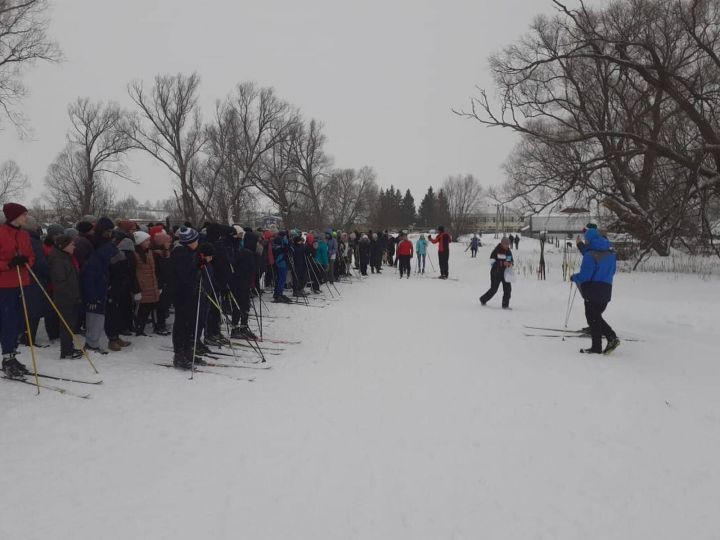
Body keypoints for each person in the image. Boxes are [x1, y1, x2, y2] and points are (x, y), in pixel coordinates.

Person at [571, 227, 620, 354]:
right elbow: (612, 271)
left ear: (588, 240)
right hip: (606, 289)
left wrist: (574, 277)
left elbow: (585, 276)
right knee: (595, 317)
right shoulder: (611, 253)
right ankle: (600, 345)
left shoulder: (590, 255)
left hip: (593, 289)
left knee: (592, 317)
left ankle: (610, 338)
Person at [0, 203, 35, 377]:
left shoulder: (24, 234)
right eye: (23, 214)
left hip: (23, 282)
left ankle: (13, 355)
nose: (26, 217)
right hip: (5, 285)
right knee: (8, 322)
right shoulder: (1, 233)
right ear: (13, 216)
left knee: (21, 322)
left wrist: (25, 261)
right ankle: (7, 357)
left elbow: (31, 256)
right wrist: (8, 264)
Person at [80, 217, 118, 354]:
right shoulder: (99, 248)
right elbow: (91, 271)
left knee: (98, 315)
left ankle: (93, 342)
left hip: (101, 282)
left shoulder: (103, 245)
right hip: (95, 283)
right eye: (107, 231)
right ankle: (92, 343)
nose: (109, 234)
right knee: (94, 316)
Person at [168, 227, 200, 369]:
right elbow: (184, 275)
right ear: (189, 241)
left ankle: (187, 350)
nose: (197, 242)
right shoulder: (180, 252)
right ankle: (179, 354)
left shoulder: (190, 251)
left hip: (189, 292)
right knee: (182, 323)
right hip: (181, 293)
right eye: (195, 240)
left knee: (190, 323)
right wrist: (197, 272)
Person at [48, 235, 83, 359]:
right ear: (63, 246)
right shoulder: (58, 259)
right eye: (71, 244)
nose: (74, 246)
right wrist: (71, 295)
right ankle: (66, 351)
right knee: (66, 324)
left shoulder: (66, 257)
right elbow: (60, 282)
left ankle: (69, 347)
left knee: (70, 324)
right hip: (65, 298)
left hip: (71, 296)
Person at [133, 231, 160, 336]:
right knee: (142, 309)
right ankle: (139, 328)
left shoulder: (150, 252)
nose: (149, 242)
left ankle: (143, 327)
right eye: (147, 240)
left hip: (151, 284)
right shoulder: (135, 254)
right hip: (142, 285)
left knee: (149, 307)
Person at [479, 237, 513, 309]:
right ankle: (483, 299)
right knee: (493, 289)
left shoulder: (508, 251)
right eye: (506, 244)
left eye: (508, 244)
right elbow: (492, 263)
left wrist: (510, 263)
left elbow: (511, 260)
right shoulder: (496, 251)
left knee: (508, 289)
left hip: (505, 274)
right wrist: (502, 263)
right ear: (502, 243)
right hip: (495, 273)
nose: (507, 246)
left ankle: (505, 305)